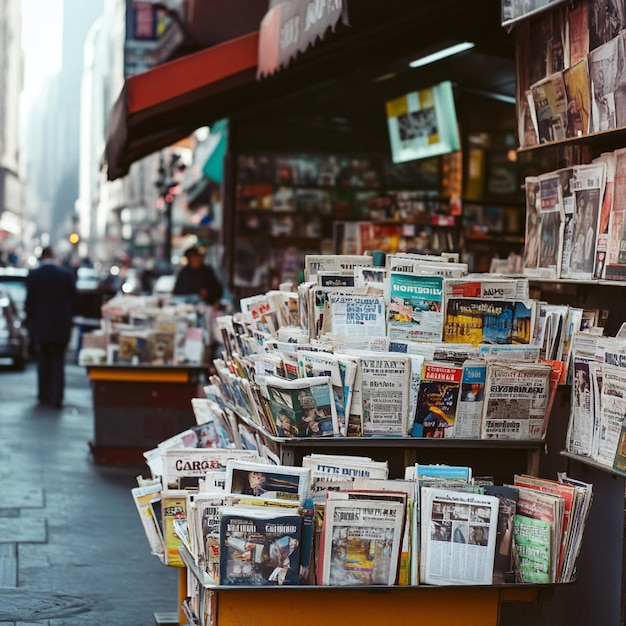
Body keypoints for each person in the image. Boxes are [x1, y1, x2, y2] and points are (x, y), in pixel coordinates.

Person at [25, 246, 77, 407]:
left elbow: (29, 303)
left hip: (41, 325)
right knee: (58, 360)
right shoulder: (66, 275)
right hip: (61, 325)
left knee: (43, 359)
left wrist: (30, 321)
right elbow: (75, 300)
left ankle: (44, 393)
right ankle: (56, 395)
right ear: (53, 256)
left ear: (42, 257)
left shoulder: (34, 275)